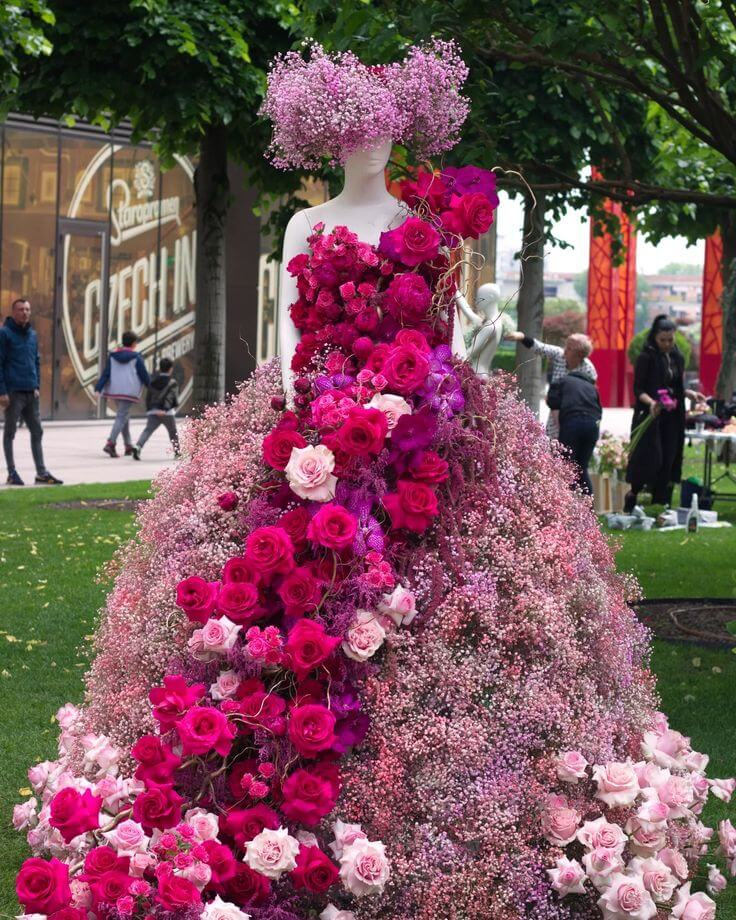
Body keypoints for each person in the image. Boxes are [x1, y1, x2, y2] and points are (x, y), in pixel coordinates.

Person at [12, 44, 726, 920]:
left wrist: (477, 342)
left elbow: (458, 325)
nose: (370, 149)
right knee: (280, 600)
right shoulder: (305, 228)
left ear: (407, 134)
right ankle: (255, 798)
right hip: (317, 430)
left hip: (430, 429)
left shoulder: (429, 221)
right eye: (353, 133)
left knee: (460, 602)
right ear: (326, 135)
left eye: (385, 133)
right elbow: (283, 346)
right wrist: (299, 418)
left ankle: (490, 819)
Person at [624, 313, 705, 511]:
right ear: (654, 338)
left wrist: (690, 393)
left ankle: (660, 504)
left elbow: (676, 386)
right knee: (650, 457)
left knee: (668, 458)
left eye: (670, 340)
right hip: (650, 414)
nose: (667, 344)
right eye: (663, 340)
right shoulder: (646, 357)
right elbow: (638, 389)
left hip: (672, 416)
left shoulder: (677, 356)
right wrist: (652, 403)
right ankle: (633, 497)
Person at [0, 298, 62, 486]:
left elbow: (36, 360)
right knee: (10, 433)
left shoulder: (33, 335)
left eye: (27, 309)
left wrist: (36, 386)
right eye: (20, 309)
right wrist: (2, 391)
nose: (25, 312)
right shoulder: (4, 333)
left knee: (37, 431)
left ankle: (41, 473)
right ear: (13, 312)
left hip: (30, 391)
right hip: (13, 391)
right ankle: (12, 472)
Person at [504, 329, 597, 437]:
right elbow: (540, 348)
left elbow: (590, 396)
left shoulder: (588, 370)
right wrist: (522, 337)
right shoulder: (559, 355)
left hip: (575, 413)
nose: (565, 350)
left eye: (570, 348)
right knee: (552, 441)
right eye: (566, 346)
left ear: (580, 354)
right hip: (555, 410)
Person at [546, 366, 602, 493]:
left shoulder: (562, 381)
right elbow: (599, 413)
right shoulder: (592, 388)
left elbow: (554, 406)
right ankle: (588, 509)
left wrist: (562, 429)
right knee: (582, 467)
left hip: (572, 422)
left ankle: (567, 507)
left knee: (566, 466)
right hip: (592, 426)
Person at [94, 331, 150, 457]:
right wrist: (151, 387)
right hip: (129, 391)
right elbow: (144, 375)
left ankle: (128, 445)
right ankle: (111, 443)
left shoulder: (113, 356)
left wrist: (98, 388)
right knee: (121, 416)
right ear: (134, 343)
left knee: (124, 415)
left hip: (115, 391)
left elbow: (106, 373)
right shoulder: (136, 357)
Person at [131, 357, 180, 460]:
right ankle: (177, 452)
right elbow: (170, 397)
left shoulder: (153, 381)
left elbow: (148, 397)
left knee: (148, 431)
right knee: (173, 433)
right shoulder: (172, 382)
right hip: (167, 413)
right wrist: (165, 409)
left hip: (153, 411)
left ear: (160, 368)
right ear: (170, 369)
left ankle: (138, 446)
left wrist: (150, 409)